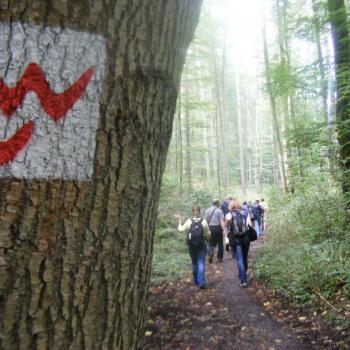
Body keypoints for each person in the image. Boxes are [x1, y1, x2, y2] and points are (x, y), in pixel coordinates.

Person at [175, 206, 211, 289]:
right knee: (201, 262)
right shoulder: (204, 222)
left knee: (194, 262)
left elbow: (180, 229)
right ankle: (201, 282)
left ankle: (195, 280)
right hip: (201, 245)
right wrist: (207, 239)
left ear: (192, 212)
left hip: (191, 246)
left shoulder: (189, 221)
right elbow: (209, 234)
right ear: (199, 211)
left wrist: (179, 220)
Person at [226, 199, 253, 287]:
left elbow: (226, 226)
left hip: (236, 240)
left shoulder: (230, 214)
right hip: (246, 239)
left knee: (240, 259)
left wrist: (228, 221)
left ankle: (243, 280)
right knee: (244, 258)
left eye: (229, 205)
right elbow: (250, 225)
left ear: (233, 206)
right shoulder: (245, 213)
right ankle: (243, 274)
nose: (228, 206)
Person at [205, 199, 226, 263]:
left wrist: (205, 230)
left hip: (210, 228)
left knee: (210, 243)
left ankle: (210, 254)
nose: (219, 204)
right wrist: (224, 229)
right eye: (219, 203)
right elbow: (222, 222)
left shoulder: (207, 210)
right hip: (218, 228)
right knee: (220, 243)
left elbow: (205, 221)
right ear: (217, 203)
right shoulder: (219, 211)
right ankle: (219, 258)